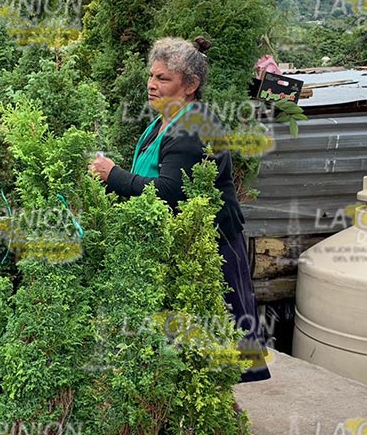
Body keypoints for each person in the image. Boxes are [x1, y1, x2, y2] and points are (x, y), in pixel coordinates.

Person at [88, 37, 271, 383]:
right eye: (152, 76)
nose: (152, 85)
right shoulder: (163, 122)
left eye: (163, 79)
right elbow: (148, 175)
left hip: (207, 247)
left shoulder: (192, 128)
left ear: (190, 86)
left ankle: (217, 413)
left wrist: (113, 175)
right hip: (173, 240)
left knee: (215, 340)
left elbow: (170, 193)